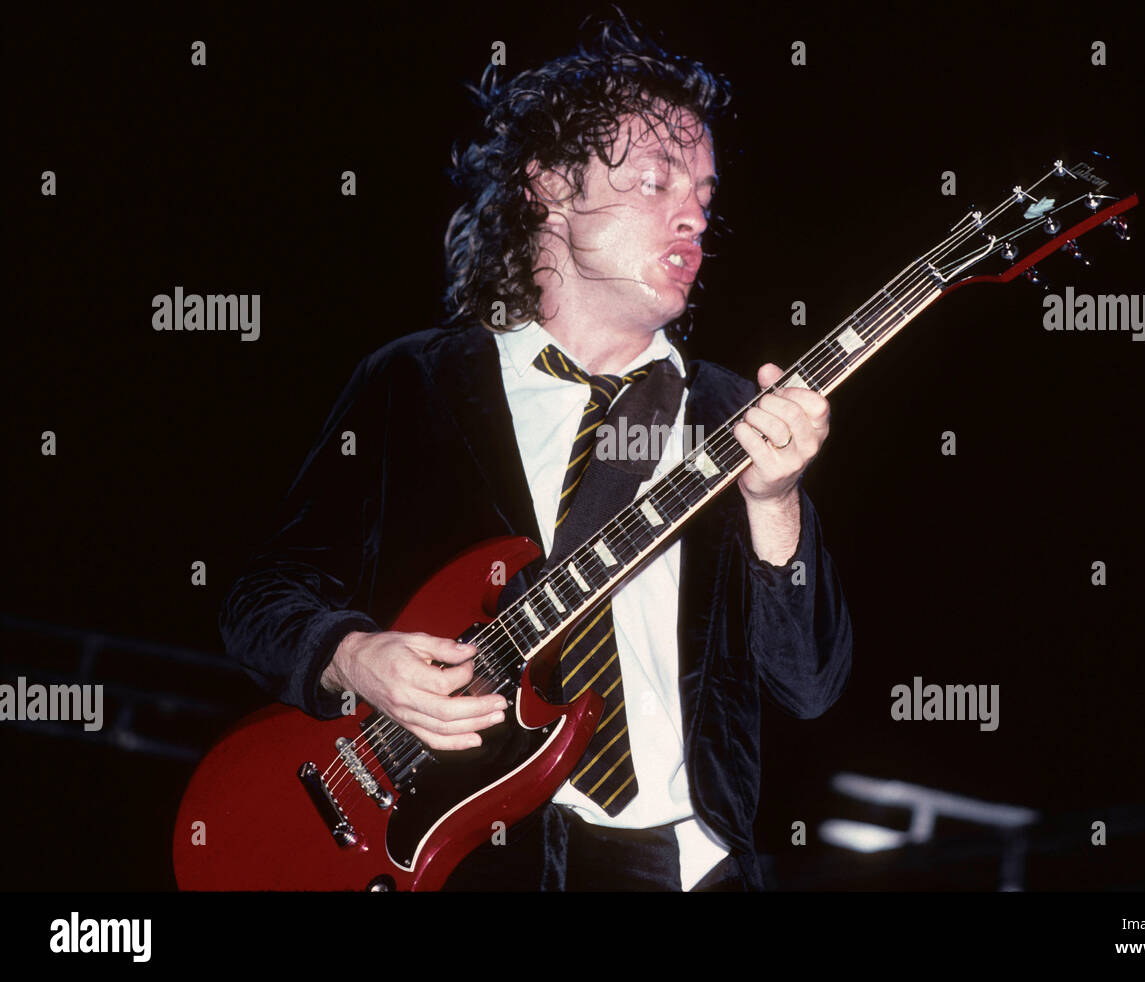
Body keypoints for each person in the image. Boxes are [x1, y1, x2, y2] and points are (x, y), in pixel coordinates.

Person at [220, 13, 853, 891]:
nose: (693, 218)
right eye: (654, 180)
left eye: (704, 196)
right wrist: (351, 654)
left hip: (682, 865)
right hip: (464, 858)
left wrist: (775, 502)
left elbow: (810, 686)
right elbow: (261, 597)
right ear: (550, 186)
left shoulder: (731, 416)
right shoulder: (418, 381)